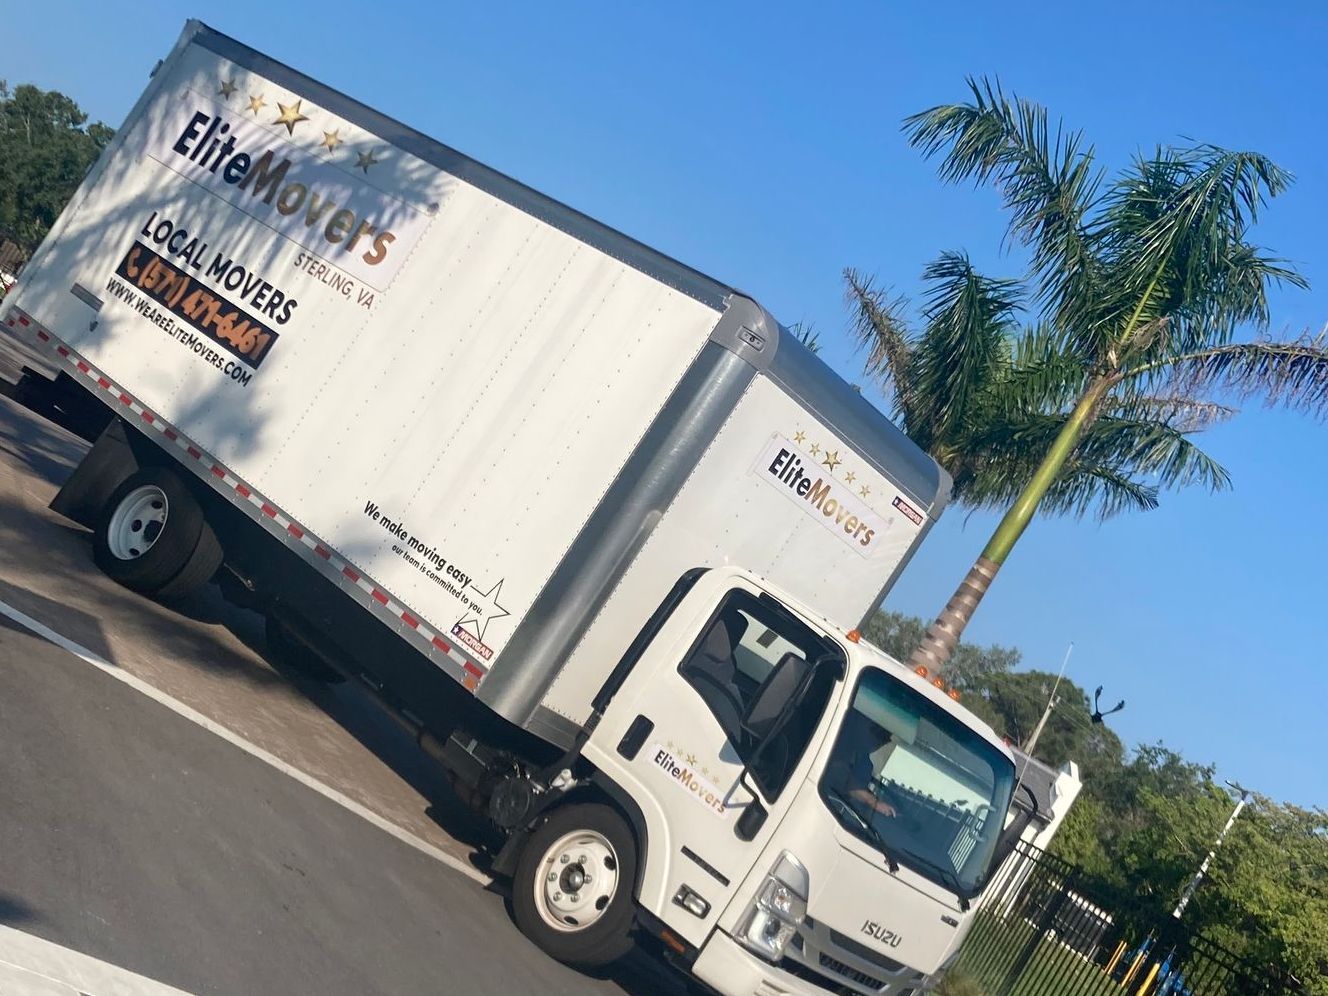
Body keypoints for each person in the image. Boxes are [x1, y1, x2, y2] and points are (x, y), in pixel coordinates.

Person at [825, 708, 898, 819]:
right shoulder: (837, 727)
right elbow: (848, 782)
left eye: (883, 739)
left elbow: (854, 788)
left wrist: (872, 801)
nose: (879, 743)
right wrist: (874, 803)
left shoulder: (865, 765)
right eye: (877, 734)